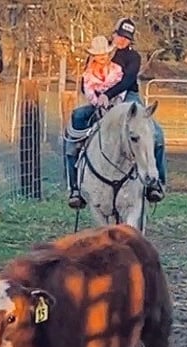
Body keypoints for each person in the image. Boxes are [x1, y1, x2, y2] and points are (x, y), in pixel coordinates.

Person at [65, 18, 168, 209]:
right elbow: (85, 80)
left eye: (126, 38)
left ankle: (157, 182)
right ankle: (74, 186)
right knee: (76, 121)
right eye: (120, 36)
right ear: (114, 34)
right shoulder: (101, 52)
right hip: (100, 98)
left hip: (128, 96)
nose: (122, 40)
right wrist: (96, 97)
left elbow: (128, 80)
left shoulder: (133, 57)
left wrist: (108, 94)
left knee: (156, 133)